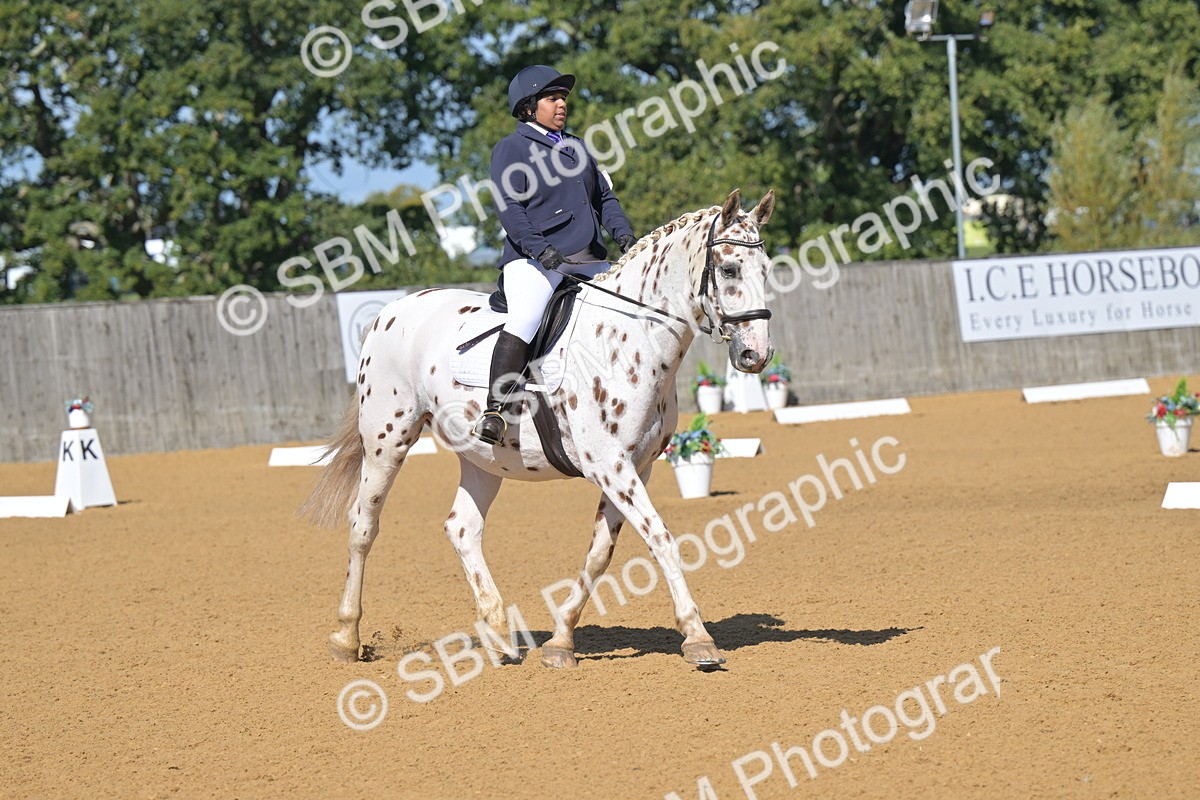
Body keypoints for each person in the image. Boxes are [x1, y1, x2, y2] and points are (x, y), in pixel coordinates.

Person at [474, 65, 638, 445]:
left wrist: (626, 237)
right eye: (553, 98)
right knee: (528, 314)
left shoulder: (577, 147)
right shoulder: (511, 149)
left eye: (563, 98)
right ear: (530, 107)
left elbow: (605, 199)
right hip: (535, 259)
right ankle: (496, 408)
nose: (562, 104)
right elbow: (509, 207)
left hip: (589, 258)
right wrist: (538, 248)